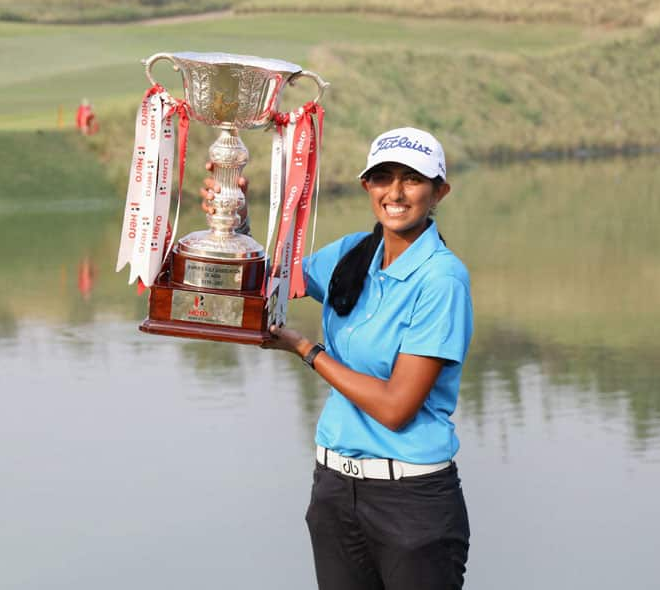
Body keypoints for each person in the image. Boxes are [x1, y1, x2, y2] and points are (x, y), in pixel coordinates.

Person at [202, 126, 473, 590]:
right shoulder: (353, 253)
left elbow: (395, 407)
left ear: (439, 192)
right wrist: (234, 221)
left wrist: (305, 350)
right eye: (383, 177)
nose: (396, 192)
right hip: (334, 491)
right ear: (367, 185)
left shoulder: (441, 279)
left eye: (412, 179)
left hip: (411, 502)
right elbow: (271, 282)